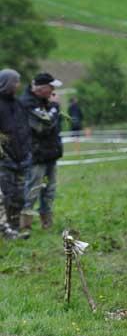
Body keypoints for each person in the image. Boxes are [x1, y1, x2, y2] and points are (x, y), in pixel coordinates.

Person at [19, 72, 64, 231]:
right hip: (35, 154)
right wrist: (55, 107)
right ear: (41, 88)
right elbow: (43, 125)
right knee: (32, 189)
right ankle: (25, 225)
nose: (53, 91)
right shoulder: (27, 103)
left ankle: (47, 222)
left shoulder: (44, 101)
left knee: (49, 189)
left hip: (50, 152)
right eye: (50, 87)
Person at [0, 69, 32, 231]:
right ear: (8, 83)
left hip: (22, 158)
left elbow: (25, 128)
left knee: (19, 197)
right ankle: (5, 227)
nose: (18, 85)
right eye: (16, 81)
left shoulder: (19, 104)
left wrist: (27, 149)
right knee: (6, 196)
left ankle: (14, 226)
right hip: (5, 161)